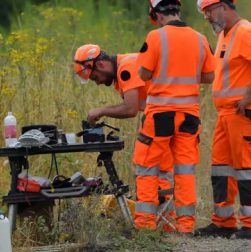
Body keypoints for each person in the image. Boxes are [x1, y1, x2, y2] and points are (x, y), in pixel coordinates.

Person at [194, 0, 251, 240]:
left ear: (225, 7)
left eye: (209, 11)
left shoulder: (245, 31)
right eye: (204, 12)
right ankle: (224, 222)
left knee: (247, 168)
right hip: (227, 114)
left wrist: (249, 97)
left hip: (247, 112)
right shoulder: (224, 35)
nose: (206, 16)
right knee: (221, 168)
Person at [132, 0, 216, 234]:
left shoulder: (156, 38)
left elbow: (143, 74)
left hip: (160, 116)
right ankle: (186, 226)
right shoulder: (200, 39)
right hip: (189, 116)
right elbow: (209, 76)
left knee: (148, 167)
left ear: (156, 15)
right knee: (185, 169)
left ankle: (145, 226)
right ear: (177, 10)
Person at [73, 44, 176, 228]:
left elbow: (130, 109)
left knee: (147, 167)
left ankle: (149, 224)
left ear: (100, 65)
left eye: (94, 77)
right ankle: (166, 223)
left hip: (162, 117)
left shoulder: (126, 68)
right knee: (161, 170)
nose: (97, 83)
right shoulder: (122, 69)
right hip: (165, 116)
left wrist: (102, 110)